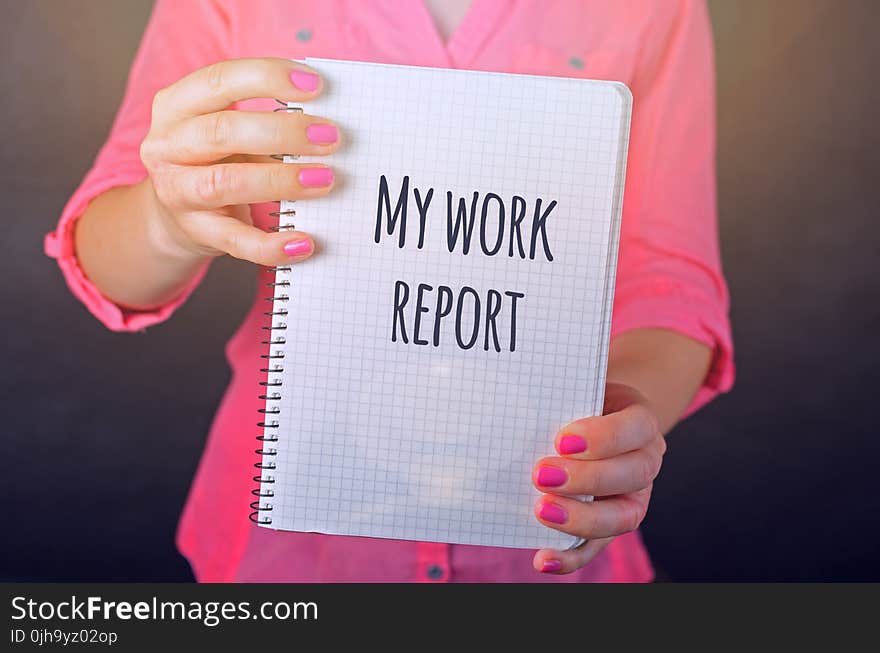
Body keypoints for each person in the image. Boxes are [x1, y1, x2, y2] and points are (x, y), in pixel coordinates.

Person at [45, 0, 734, 582]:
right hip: (282, 549)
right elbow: (107, 257)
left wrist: (614, 432)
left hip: (537, 538)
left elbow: (670, 279)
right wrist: (168, 218)